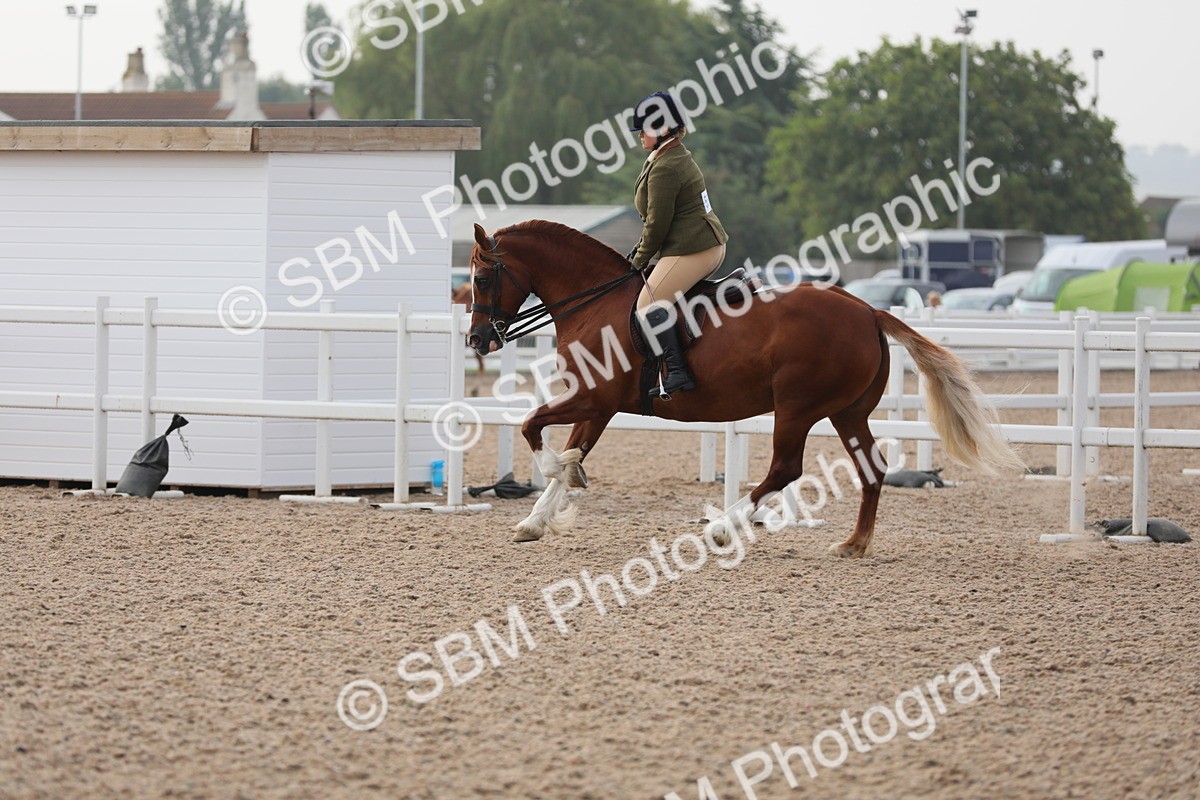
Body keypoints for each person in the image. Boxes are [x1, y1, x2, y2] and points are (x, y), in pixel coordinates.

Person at [628, 90, 729, 398]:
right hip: (697, 244)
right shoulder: (667, 155)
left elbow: (657, 225)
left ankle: (678, 372)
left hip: (694, 249)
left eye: (644, 129)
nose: (640, 135)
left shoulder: (666, 167)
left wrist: (638, 259)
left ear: (662, 129)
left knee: (648, 305)